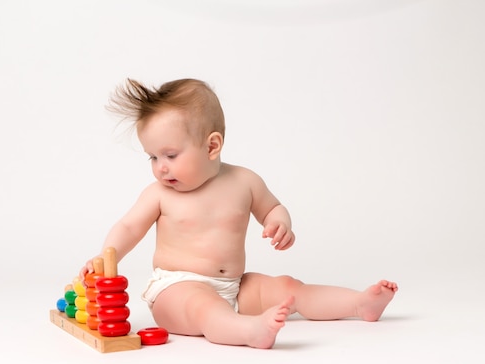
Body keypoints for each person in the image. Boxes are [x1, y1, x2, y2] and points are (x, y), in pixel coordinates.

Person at [80, 78, 398, 349]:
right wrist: (105, 258)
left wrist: (280, 222)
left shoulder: (244, 182)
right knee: (203, 306)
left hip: (235, 286)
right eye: (152, 157)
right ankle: (250, 332)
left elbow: (272, 207)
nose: (161, 167)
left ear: (212, 146)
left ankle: (359, 303)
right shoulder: (159, 195)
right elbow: (129, 226)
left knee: (288, 287)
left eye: (171, 155)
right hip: (176, 289)